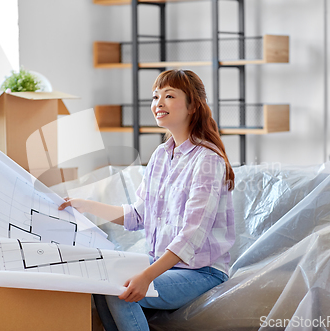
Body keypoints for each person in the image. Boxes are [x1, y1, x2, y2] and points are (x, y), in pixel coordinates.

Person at [58, 69, 235, 331]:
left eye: (169, 96)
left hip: (203, 272)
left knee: (121, 289)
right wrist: (85, 205)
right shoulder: (161, 155)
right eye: (155, 97)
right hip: (164, 264)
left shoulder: (207, 160)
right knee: (99, 280)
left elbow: (191, 236)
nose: (158, 103)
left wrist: (146, 277)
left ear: (193, 106)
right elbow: (139, 215)